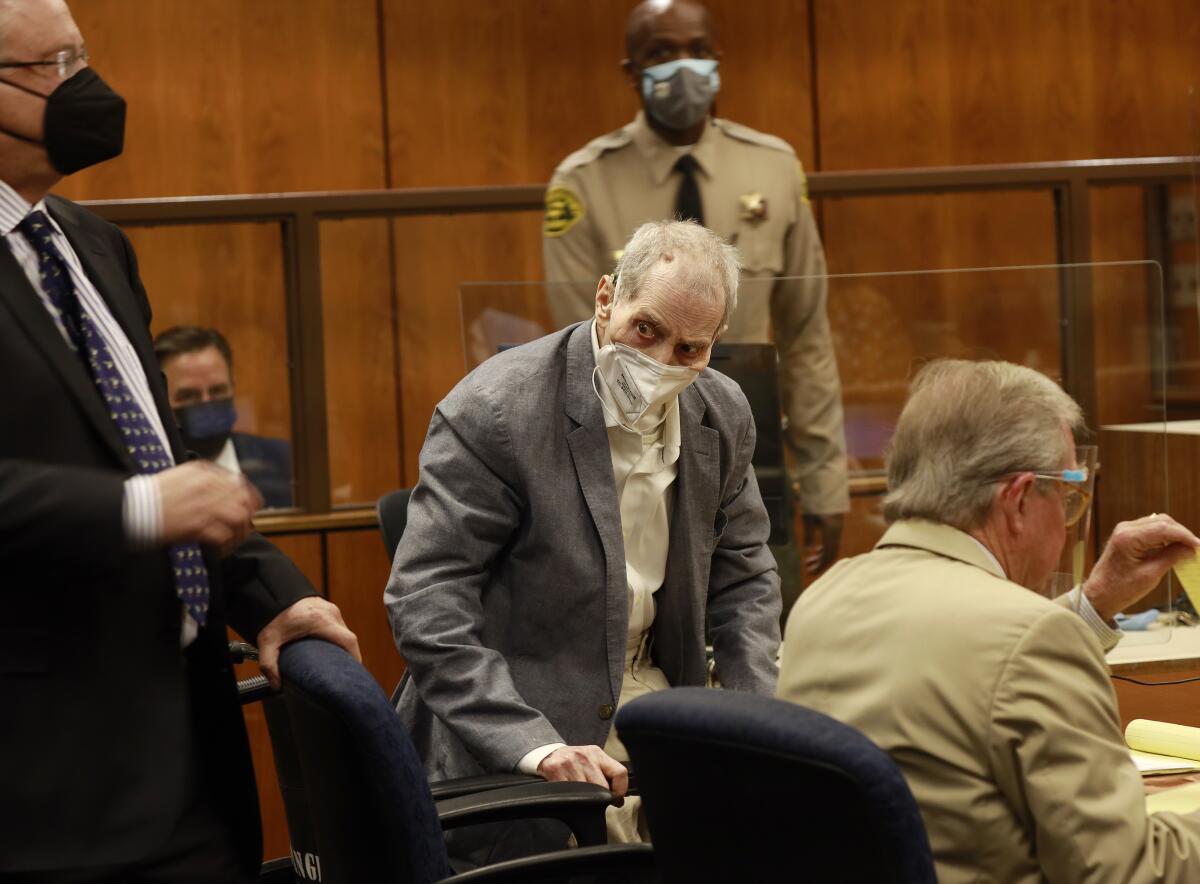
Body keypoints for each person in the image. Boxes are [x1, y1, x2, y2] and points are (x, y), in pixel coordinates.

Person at [0, 1, 359, 880]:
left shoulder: (93, 245)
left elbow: (158, 456)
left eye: (82, 53)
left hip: (187, 751)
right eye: (52, 65)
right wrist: (137, 507)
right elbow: (149, 493)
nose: (85, 84)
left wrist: (273, 595)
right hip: (43, 792)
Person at [387, 220, 780, 847]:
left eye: (689, 349)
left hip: (657, 687)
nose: (659, 363)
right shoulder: (495, 410)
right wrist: (533, 745)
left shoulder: (722, 411)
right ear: (606, 298)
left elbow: (746, 579)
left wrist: (757, 716)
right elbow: (425, 604)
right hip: (521, 704)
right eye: (645, 329)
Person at [776, 359, 1200, 883]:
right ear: (1019, 499)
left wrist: (1094, 600)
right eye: (1068, 497)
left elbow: (969, 655)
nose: (1069, 523)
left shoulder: (824, 601)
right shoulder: (1030, 640)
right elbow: (1127, 873)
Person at [542, 0, 848, 573]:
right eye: (661, 53)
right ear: (631, 71)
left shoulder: (774, 168)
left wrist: (826, 481)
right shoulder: (583, 184)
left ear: (718, 59)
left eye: (698, 51)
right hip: (630, 454)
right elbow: (582, 353)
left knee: (759, 630)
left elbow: (808, 340)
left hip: (751, 447)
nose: (684, 66)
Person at [154, 325, 294, 509]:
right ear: (160, 400)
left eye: (217, 391)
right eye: (188, 395)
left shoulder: (283, 461)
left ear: (233, 387)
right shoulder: (151, 476)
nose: (206, 402)